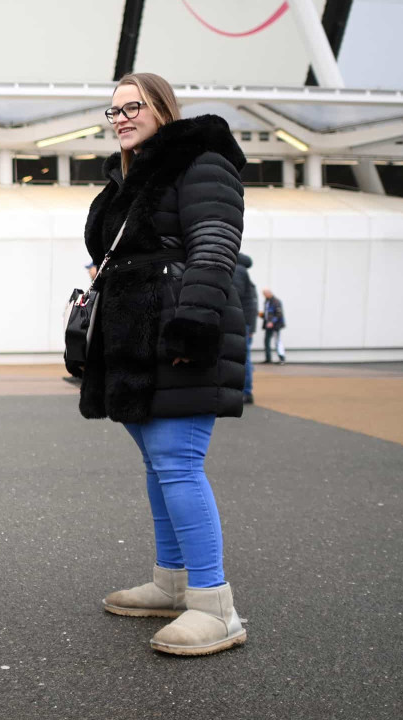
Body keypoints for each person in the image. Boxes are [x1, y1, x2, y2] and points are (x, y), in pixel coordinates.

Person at [81, 73, 247, 656]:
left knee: (177, 462)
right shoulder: (131, 176)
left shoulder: (198, 162)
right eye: (114, 109)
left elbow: (216, 244)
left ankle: (214, 605)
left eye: (135, 106)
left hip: (178, 334)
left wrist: (193, 325)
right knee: (159, 463)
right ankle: (172, 581)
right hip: (134, 342)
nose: (122, 116)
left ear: (162, 109)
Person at [232, 253, 257, 402]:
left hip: (239, 321)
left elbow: (234, 295)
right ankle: (245, 391)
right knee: (243, 357)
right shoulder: (244, 272)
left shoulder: (237, 270)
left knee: (242, 357)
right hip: (244, 321)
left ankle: (246, 392)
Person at [261, 289, 285, 364]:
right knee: (266, 341)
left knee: (277, 341)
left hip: (275, 326)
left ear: (269, 293)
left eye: (265, 294)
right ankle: (268, 359)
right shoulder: (267, 301)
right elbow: (268, 314)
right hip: (268, 325)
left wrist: (272, 322)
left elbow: (279, 314)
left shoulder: (276, 301)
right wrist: (262, 316)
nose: (264, 295)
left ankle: (282, 359)